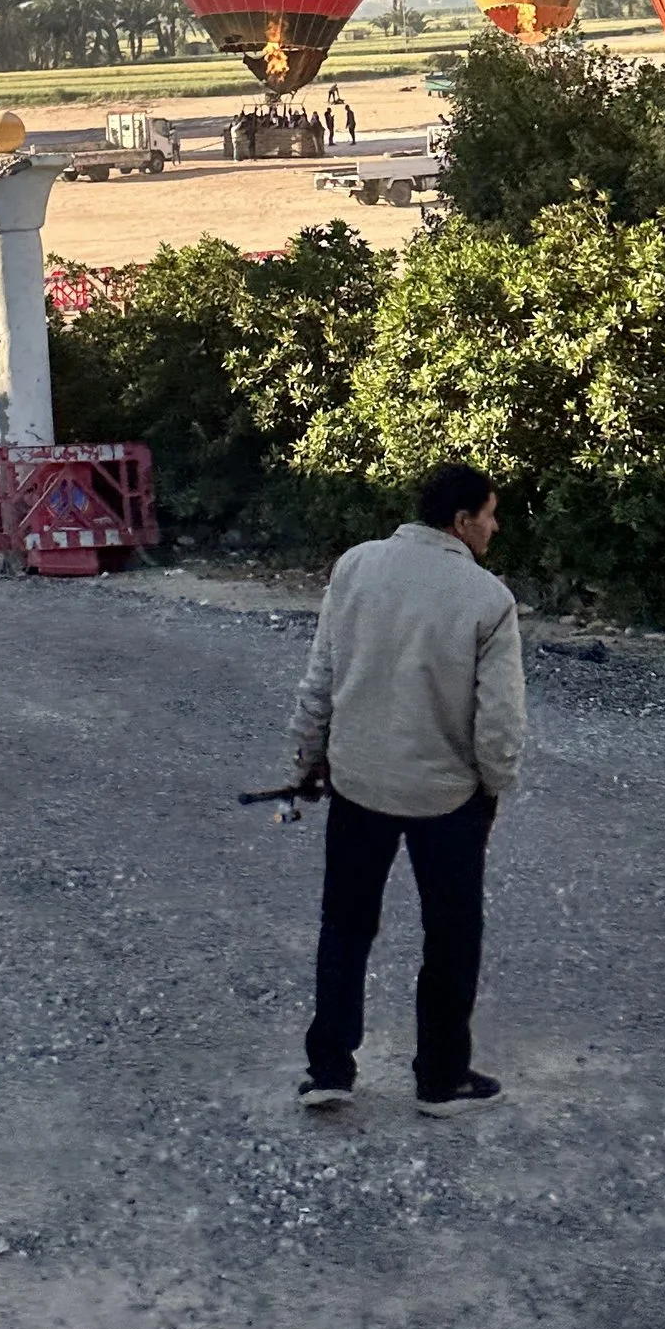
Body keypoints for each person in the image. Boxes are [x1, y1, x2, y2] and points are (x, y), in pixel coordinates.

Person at [287, 461, 525, 1118]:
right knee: (450, 934)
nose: (495, 526)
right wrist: (494, 787)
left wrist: (307, 754)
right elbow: (499, 721)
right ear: (461, 521)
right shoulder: (487, 599)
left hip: (357, 781)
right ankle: (440, 1078)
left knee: (345, 925)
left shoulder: (357, 566)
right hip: (445, 796)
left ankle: (328, 1068)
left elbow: (321, 674)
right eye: (490, 513)